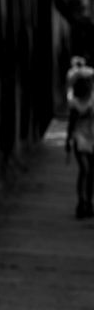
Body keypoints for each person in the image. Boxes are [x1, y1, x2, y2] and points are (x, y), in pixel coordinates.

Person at [67, 70, 94, 218]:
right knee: (85, 170)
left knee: (90, 173)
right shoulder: (75, 103)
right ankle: (81, 202)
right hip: (80, 137)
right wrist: (68, 140)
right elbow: (71, 124)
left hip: (92, 137)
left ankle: (88, 203)